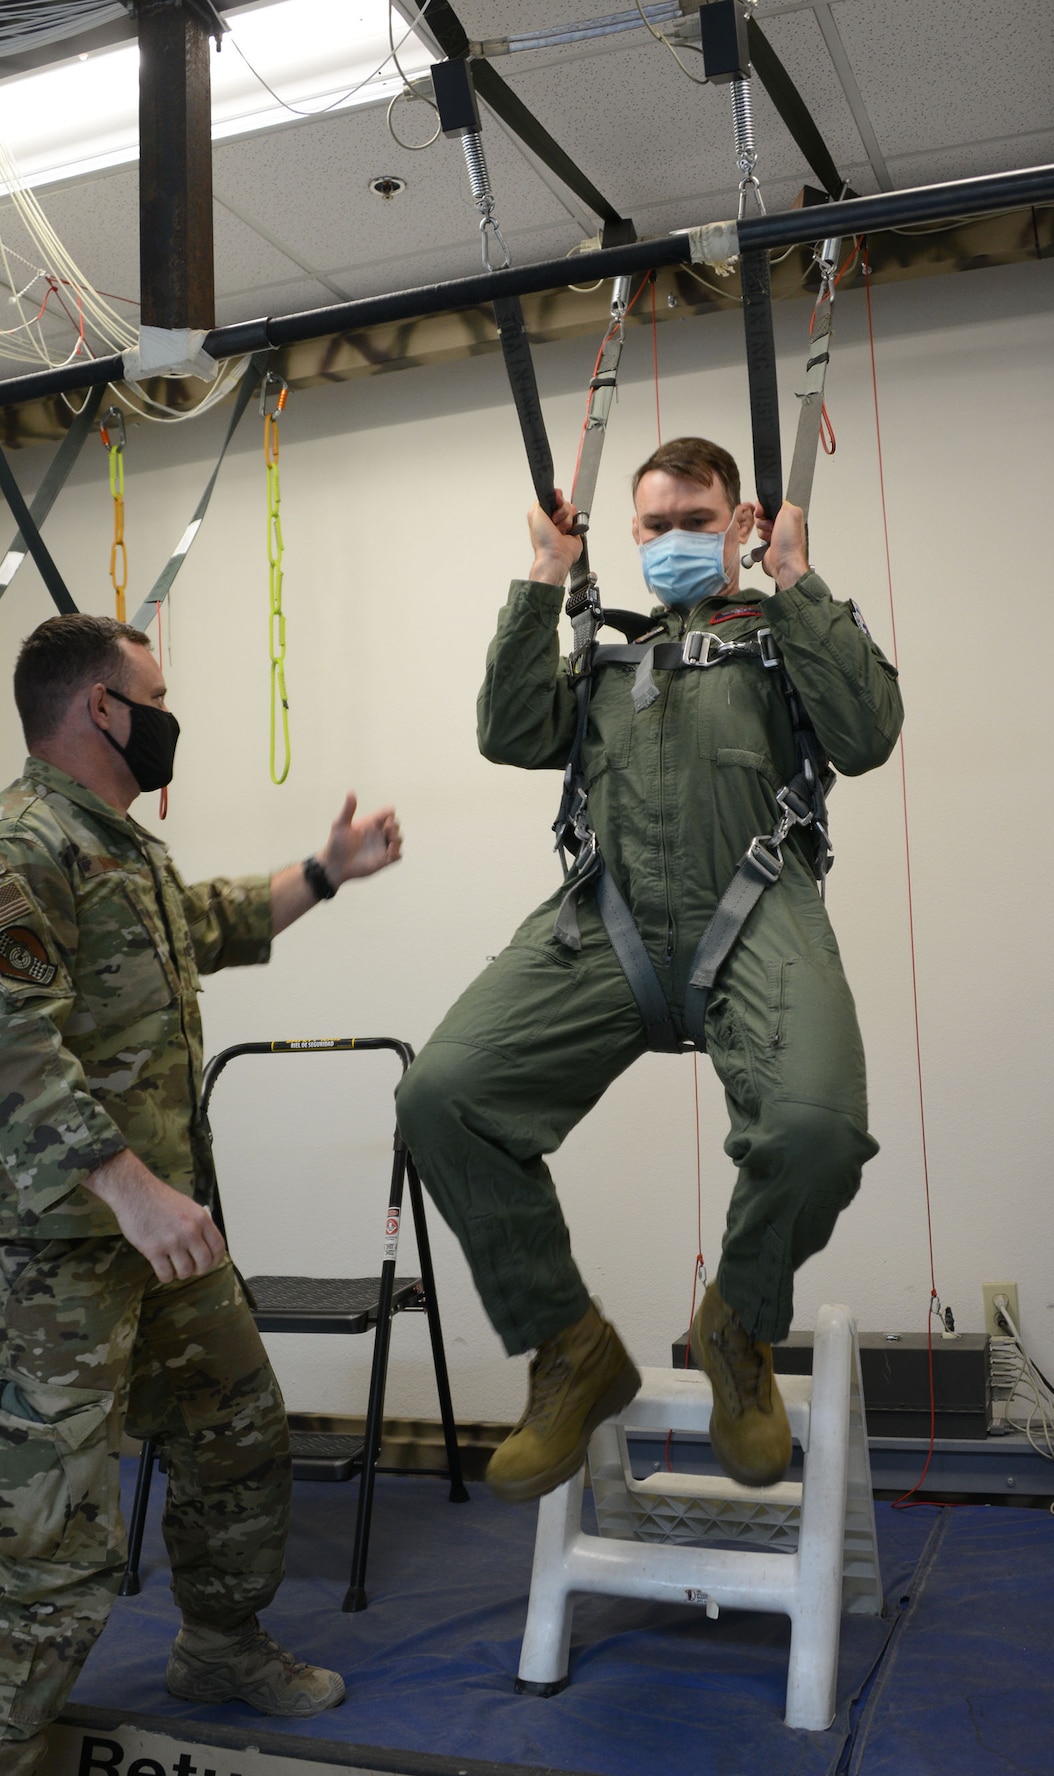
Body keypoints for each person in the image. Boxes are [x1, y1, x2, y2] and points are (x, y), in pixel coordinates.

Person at [0, 612, 402, 1776]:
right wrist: (131, 1195)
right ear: (99, 713)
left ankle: (219, 1643)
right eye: (157, 694)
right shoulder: (0, 854)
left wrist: (327, 872)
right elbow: (3, 1049)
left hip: (142, 1234)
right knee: (44, 1519)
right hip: (40, 1249)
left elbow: (215, 923)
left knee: (235, 1421)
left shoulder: (115, 855)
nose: (171, 711)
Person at [396, 435, 901, 1507]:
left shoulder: (781, 633)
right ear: (630, 532)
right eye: (656, 524)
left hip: (754, 909)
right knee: (443, 1094)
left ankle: (739, 1322)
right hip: (608, 921)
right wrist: (543, 577)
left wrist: (798, 579)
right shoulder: (599, 653)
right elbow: (507, 732)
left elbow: (868, 735)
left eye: (695, 518)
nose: (674, 539)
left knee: (815, 1129)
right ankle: (568, 1346)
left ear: (739, 519)